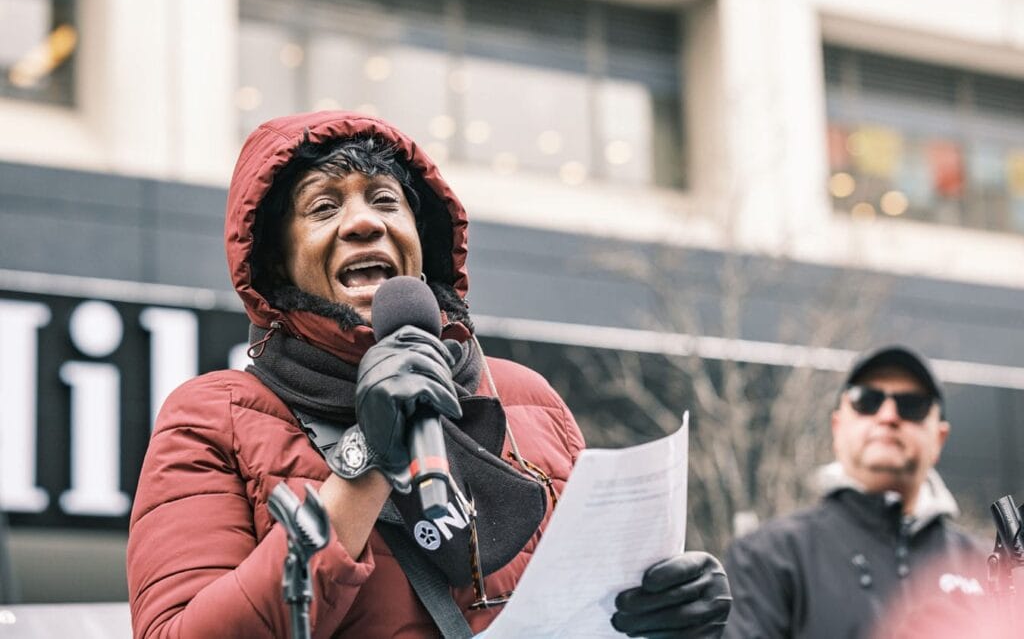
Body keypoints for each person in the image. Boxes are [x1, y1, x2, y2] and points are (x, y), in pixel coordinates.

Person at [126, 110, 731, 638]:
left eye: (386, 201)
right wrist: (370, 461)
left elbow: (589, 606)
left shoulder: (527, 398)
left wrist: (666, 614)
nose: (364, 223)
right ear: (275, 260)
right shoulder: (214, 417)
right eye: (324, 206)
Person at [723, 345, 986, 639]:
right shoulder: (765, 556)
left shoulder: (994, 570)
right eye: (866, 400)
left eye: (912, 405)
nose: (888, 415)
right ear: (837, 427)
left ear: (940, 437)